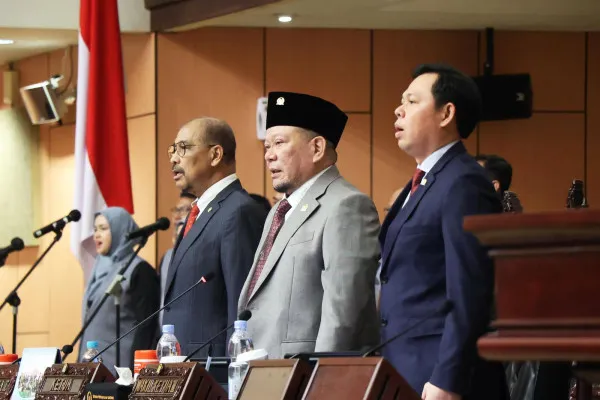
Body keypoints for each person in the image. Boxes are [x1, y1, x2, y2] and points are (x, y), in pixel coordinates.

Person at [379, 64, 507, 399]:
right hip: (405, 366)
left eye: (412, 100)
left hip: (442, 376)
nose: (398, 109)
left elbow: (468, 291)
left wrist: (448, 378)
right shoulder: (422, 182)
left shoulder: (463, 182)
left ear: (446, 113)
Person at [238, 91, 381, 359]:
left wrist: (319, 375)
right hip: (263, 368)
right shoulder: (279, 211)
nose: (269, 155)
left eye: (279, 143)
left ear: (316, 148)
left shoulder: (346, 205)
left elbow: (343, 310)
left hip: (303, 375)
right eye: (267, 146)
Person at [163, 117, 268, 357]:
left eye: (183, 148)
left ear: (215, 155)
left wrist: (235, 373)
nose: (173, 158)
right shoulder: (199, 211)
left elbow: (242, 308)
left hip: (215, 372)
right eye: (173, 149)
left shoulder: (238, 211)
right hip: (186, 367)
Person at [79, 207, 160, 371]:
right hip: (91, 368)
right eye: (95, 229)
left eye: (103, 228)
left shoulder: (139, 270)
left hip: (120, 370)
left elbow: (146, 328)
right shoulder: (98, 268)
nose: (96, 234)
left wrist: (135, 371)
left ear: (121, 230)